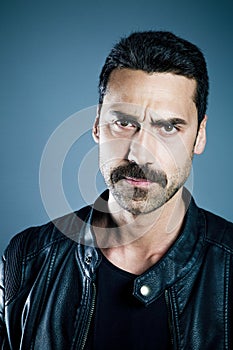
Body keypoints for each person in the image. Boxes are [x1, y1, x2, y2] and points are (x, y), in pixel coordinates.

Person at [0, 31, 233, 350]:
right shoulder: (26, 260)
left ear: (200, 135)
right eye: (124, 123)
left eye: (168, 128)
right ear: (97, 124)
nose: (140, 154)